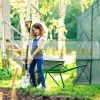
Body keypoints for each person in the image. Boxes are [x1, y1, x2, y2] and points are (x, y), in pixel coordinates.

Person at [29, 23, 46, 88]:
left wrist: (32, 55)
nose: (35, 31)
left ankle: (43, 86)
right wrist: (31, 56)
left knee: (39, 70)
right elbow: (33, 48)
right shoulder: (35, 38)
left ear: (40, 29)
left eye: (36, 30)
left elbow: (38, 48)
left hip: (39, 57)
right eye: (33, 30)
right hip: (33, 57)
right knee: (31, 70)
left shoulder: (41, 38)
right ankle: (34, 84)